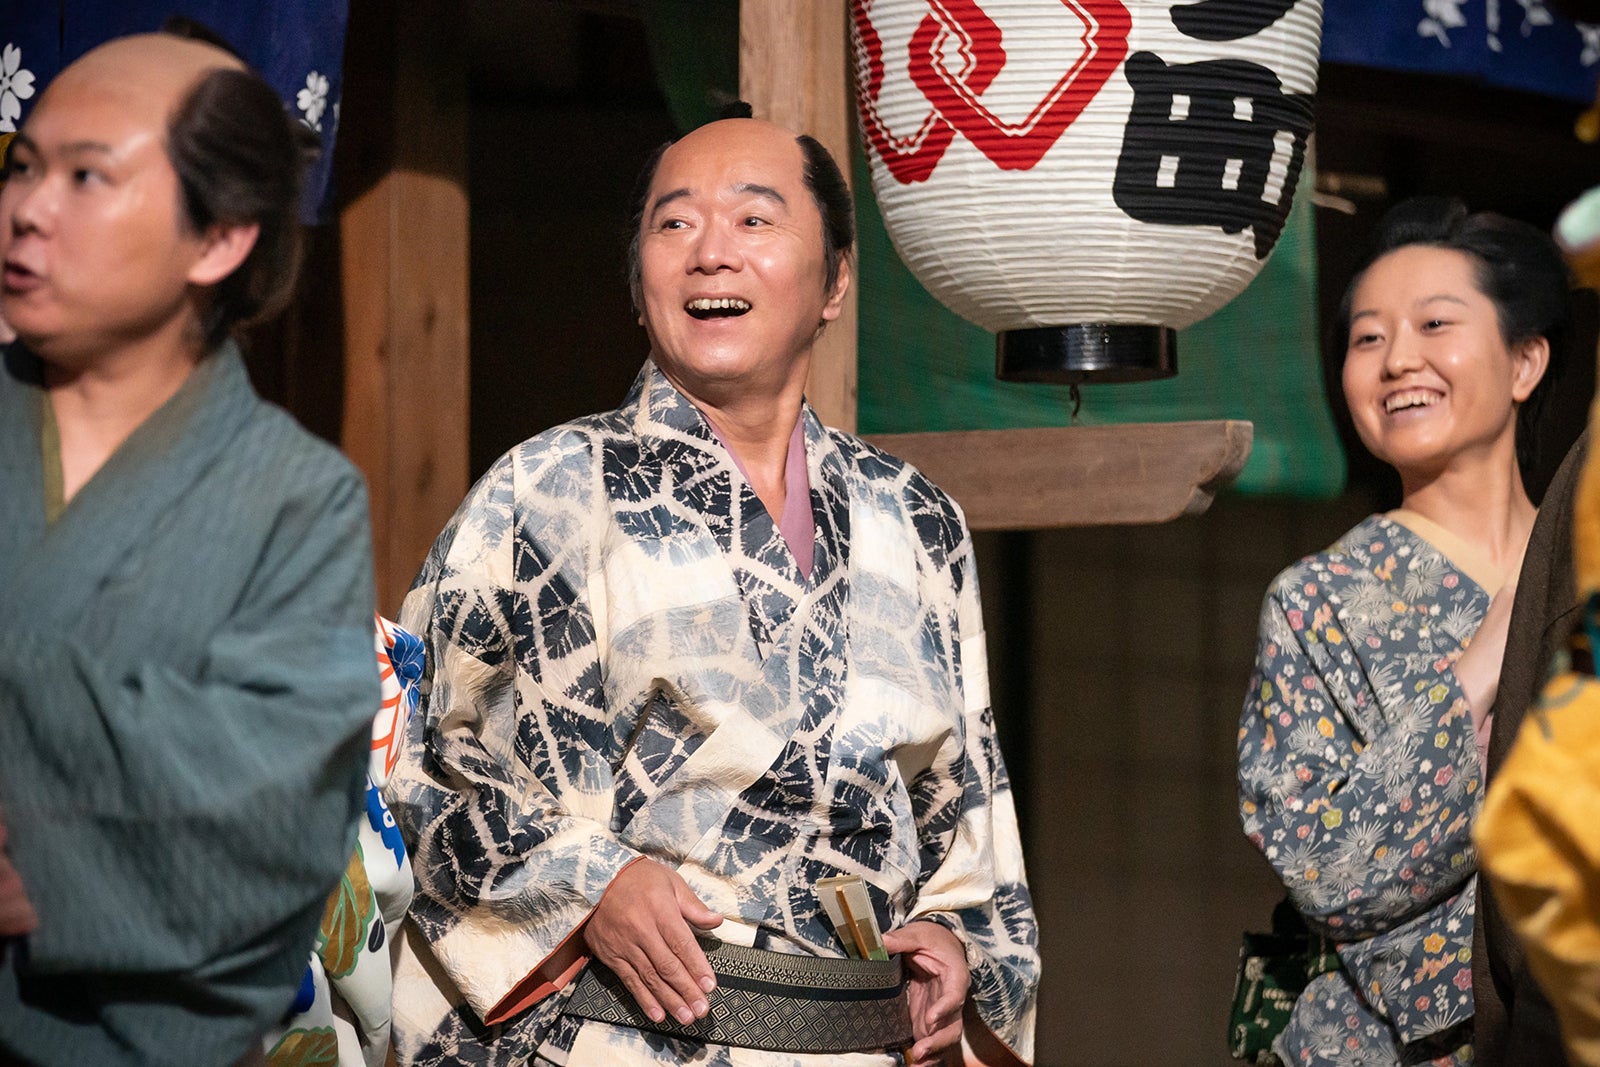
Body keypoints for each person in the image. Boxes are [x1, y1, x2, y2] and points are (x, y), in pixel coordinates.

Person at [384, 110, 1039, 1067]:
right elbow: (420, 760)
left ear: (836, 279)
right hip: (617, 1036)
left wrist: (956, 946)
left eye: (754, 219)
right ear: (638, 284)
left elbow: (965, 804)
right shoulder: (545, 488)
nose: (710, 253)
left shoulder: (917, 519)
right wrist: (590, 882)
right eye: (675, 223)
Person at [0, 28, 380, 1065]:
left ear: (218, 238)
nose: (28, 207)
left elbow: (273, 822)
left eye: (86, 176)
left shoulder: (296, 501)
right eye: (23, 167)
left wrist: (41, 839)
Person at [1238, 196, 1572, 1065]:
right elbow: (1325, 867)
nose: (1397, 360)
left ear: (1525, 360)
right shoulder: (1315, 602)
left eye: (1434, 323)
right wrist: (1478, 674)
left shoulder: (1586, 570)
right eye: (1368, 337)